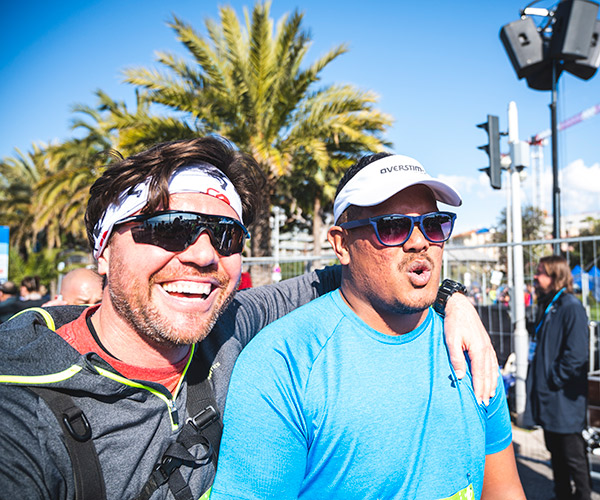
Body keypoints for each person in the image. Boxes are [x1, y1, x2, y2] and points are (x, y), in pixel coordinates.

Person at [0, 138, 497, 500]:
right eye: (169, 229)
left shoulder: (230, 324)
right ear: (103, 251)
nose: (201, 255)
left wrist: (451, 298)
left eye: (225, 236)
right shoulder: (21, 412)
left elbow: (365, 274)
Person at [211, 153, 525, 499]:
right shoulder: (282, 364)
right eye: (392, 226)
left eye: (433, 224)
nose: (420, 242)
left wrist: (454, 297)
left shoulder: (470, 348)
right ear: (341, 244)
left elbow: (505, 489)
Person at [524, 255, 591, 500]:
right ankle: (562, 494)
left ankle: (584, 495)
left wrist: (554, 379)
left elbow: (576, 354)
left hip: (563, 397)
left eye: (541, 272)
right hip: (549, 395)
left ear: (556, 276)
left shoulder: (570, 307)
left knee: (572, 453)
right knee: (555, 451)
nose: (536, 276)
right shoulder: (550, 305)